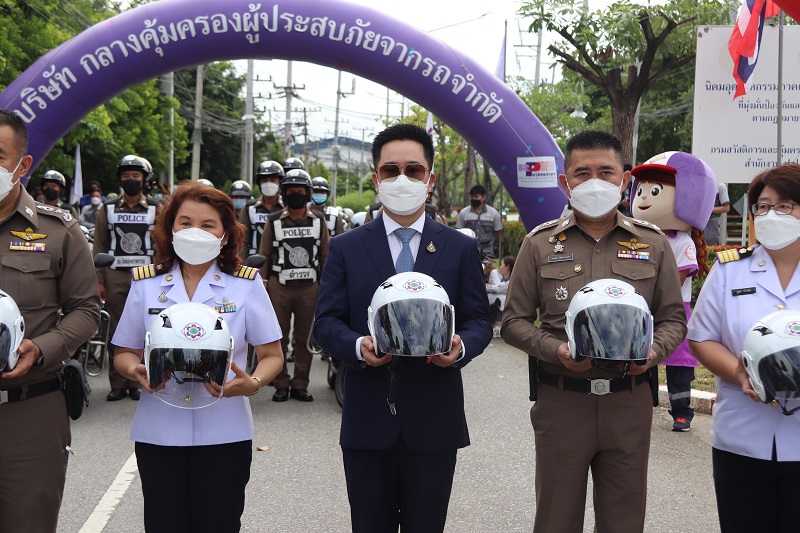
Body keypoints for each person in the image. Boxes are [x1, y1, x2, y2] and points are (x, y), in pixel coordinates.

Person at [501, 130, 686, 533]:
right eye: (582, 174)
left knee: (624, 522)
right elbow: (513, 322)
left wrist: (654, 351)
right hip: (562, 401)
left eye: (606, 172)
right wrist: (555, 349)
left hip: (629, 402)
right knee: (555, 520)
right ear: (565, 182)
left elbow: (674, 319)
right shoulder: (540, 243)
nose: (595, 182)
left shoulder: (652, 244)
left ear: (624, 180)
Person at [314, 123, 493, 532]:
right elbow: (325, 323)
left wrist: (461, 348)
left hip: (434, 420)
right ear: (375, 179)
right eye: (390, 170)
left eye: (413, 170)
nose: (402, 179)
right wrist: (358, 346)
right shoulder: (346, 247)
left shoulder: (460, 247)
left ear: (430, 179)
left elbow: (479, 320)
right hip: (367, 421)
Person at [111, 181, 284, 532]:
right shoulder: (146, 283)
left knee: (219, 523)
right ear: (171, 228)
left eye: (208, 225)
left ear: (225, 235)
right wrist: (136, 371)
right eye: (186, 222)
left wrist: (253, 383)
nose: (195, 232)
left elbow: (272, 354)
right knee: (163, 523)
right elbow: (124, 352)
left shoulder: (245, 284)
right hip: (159, 431)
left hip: (225, 431)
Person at [0, 108, 101, 532]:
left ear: (22, 165)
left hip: (30, 413)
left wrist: (41, 348)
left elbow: (87, 311)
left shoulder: (59, 231)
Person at [687, 163, 800, 533]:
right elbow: (702, 337)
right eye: (763, 207)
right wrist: (738, 372)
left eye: (784, 206)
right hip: (741, 439)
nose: (771, 215)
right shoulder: (730, 270)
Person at [631, 151, 717, 432]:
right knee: (643, 359)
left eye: (654, 191)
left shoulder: (682, 242)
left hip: (674, 310)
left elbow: (674, 281)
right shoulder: (638, 239)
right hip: (643, 308)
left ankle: (681, 412)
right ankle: (643, 405)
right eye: (640, 190)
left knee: (679, 365)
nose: (644, 197)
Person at [258, 169, 329, 402]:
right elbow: (264, 255)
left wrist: (328, 287)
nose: (295, 194)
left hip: (309, 288)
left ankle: (300, 384)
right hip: (279, 287)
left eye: (300, 190)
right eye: (290, 191)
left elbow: (326, 256)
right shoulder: (273, 220)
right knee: (278, 337)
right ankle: (281, 384)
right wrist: (262, 288)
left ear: (307, 194)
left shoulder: (319, 221)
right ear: (284, 193)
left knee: (304, 339)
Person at [93, 154, 159, 402]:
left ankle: (138, 380)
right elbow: (99, 245)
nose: (131, 179)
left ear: (145, 180)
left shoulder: (156, 208)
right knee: (117, 329)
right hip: (116, 276)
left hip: (147, 277)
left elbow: (163, 243)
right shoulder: (108, 208)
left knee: (147, 327)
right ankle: (118, 383)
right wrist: (99, 280)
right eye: (126, 176)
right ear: (120, 180)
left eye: (136, 175)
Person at [238, 160, 284, 260]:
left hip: (280, 262)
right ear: (259, 182)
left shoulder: (286, 207)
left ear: (280, 182)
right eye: (265, 180)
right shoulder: (249, 208)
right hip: (255, 262)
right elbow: (243, 241)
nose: (269, 184)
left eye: (273, 180)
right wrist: (240, 264)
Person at [456, 184, 503, 259]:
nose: (473, 199)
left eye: (476, 197)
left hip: (488, 253)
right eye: (472, 197)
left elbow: (498, 232)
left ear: (483, 197)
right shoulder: (463, 213)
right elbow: (459, 232)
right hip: (468, 252)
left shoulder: (494, 213)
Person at [487, 255, 515, 338]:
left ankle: (501, 326)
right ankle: (497, 326)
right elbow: (497, 288)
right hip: (495, 301)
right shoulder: (496, 273)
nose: (500, 267)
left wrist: (487, 286)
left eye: (502, 264)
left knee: (504, 298)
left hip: (510, 306)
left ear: (508, 267)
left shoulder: (514, 279)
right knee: (500, 297)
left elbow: (498, 288)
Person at [704, 181, 731, 245]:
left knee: (711, 245)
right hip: (696, 221)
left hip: (711, 222)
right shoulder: (697, 183)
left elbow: (726, 208)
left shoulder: (720, 185)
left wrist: (708, 209)